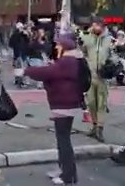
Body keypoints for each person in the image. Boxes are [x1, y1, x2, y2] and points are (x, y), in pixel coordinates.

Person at [22, 32, 82, 185]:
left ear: (64, 46)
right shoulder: (70, 60)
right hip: (64, 103)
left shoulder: (67, 61)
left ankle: (68, 175)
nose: (56, 47)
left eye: (58, 44)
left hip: (64, 104)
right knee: (62, 138)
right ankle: (64, 170)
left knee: (64, 141)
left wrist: (26, 71)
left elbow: (47, 73)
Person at [80, 16, 113, 142]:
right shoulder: (86, 37)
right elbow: (82, 52)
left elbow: (113, 55)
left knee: (102, 103)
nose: (96, 27)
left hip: (103, 76)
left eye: (98, 25)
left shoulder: (109, 39)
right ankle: (94, 125)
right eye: (94, 25)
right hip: (90, 74)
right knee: (91, 102)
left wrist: (110, 66)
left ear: (103, 26)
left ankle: (100, 128)